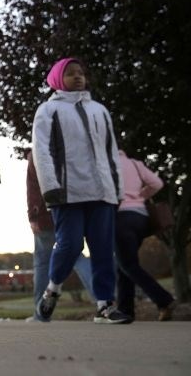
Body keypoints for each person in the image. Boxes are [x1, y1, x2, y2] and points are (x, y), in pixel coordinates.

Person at [32, 57, 130, 324]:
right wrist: (50, 187)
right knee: (70, 245)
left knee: (102, 249)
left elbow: (110, 152)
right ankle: (52, 289)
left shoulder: (100, 110)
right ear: (56, 79)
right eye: (70, 73)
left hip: (102, 192)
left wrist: (117, 188)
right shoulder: (48, 110)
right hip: (67, 192)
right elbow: (41, 151)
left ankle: (105, 305)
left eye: (81, 73)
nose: (78, 77)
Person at [25, 149, 95, 322]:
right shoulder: (72, 149)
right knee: (77, 256)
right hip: (71, 211)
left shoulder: (36, 154)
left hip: (46, 216)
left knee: (42, 264)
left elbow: (33, 188)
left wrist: (33, 216)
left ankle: (40, 313)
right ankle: (103, 299)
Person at [115, 149, 176, 322]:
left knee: (127, 264)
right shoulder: (135, 164)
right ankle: (126, 311)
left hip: (121, 217)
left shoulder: (107, 164)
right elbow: (157, 183)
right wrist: (140, 196)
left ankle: (164, 300)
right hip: (141, 218)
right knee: (124, 265)